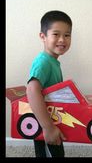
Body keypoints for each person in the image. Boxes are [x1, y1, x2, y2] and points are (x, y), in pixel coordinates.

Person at [26, 10, 72, 157]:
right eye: (56, 34)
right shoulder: (43, 62)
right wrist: (48, 127)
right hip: (44, 123)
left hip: (52, 120)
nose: (62, 40)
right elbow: (32, 91)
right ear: (43, 36)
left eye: (67, 35)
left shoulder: (53, 62)